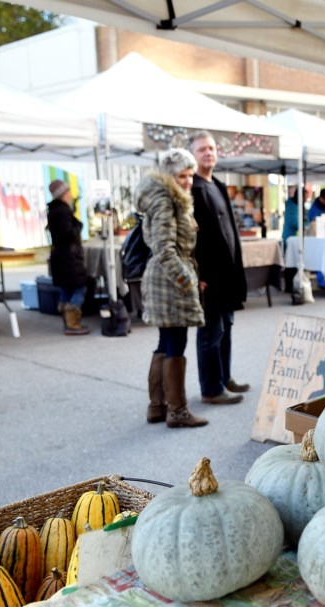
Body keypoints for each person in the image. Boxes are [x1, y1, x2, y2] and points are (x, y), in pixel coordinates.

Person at [136, 149, 208, 428]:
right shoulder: (166, 201)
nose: (189, 180)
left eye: (191, 175)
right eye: (182, 175)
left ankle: (158, 406)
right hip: (169, 281)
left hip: (164, 278)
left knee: (166, 342)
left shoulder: (163, 198)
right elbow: (165, 249)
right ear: (169, 176)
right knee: (175, 343)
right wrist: (185, 281)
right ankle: (177, 411)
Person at [188, 131, 249, 405]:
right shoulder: (192, 189)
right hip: (209, 278)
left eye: (211, 148)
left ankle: (224, 378)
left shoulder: (219, 186)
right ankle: (211, 388)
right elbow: (190, 238)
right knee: (211, 332)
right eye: (202, 149)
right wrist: (198, 275)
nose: (208, 153)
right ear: (193, 155)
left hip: (228, 276)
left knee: (226, 328)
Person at [46, 179, 90, 336]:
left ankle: (68, 321)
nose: (71, 194)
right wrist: (78, 225)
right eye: (68, 191)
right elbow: (67, 233)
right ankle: (72, 322)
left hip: (61, 257)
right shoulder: (63, 211)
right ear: (64, 194)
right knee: (79, 287)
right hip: (69, 257)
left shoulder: (54, 210)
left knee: (66, 289)